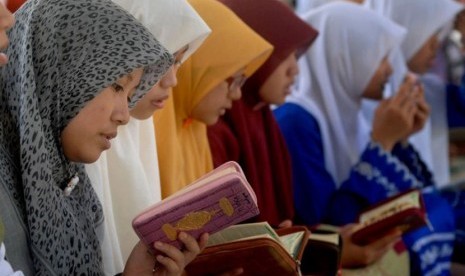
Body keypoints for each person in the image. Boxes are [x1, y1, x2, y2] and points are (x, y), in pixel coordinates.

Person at [0, 0, 207, 274]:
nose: (124, 114)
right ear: (62, 71)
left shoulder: (74, 190)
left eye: (131, 95)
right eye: (117, 85)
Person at [274, 3, 458, 275]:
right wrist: (382, 142)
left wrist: (400, 139)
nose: (389, 70)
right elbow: (332, 222)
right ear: (345, 57)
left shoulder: (351, 113)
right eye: (380, 57)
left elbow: (400, 195)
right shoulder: (296, 121)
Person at [84, 0, 211, 273]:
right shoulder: (80, 141)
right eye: (161, 61)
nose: (172, 80)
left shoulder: (138, 129)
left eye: (177, 63)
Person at [207, 0, 317, 228]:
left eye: (296, 56)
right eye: (284, 54)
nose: (294, 70)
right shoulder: (216, 126)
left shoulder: (261, 117)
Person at [155, 0, 272, 198]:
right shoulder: (153, 133)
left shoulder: (192, 128)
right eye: (233, 79)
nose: (236, 94)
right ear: (195, 68)